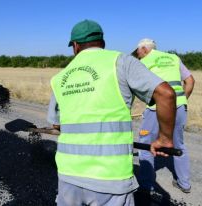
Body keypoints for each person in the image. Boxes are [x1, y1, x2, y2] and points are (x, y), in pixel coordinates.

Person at [47, 20, 177, 206]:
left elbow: (57, 124)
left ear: (75, 46)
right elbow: (166, 94)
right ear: (102, 42)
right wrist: (164, 138)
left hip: (68, 176)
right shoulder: (121, 62)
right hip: (110, 179)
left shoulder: (60, 78)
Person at [132, 38, 195, 193]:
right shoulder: (173, 57)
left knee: (146, 144)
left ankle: (146, 185)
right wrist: (180, 99)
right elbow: (190, 81)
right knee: (178, 144)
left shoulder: (144, 61)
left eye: (138, 52)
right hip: (179, 105)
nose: (138, 55)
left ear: (144, 49)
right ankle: (184, 183)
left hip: (156, 107)